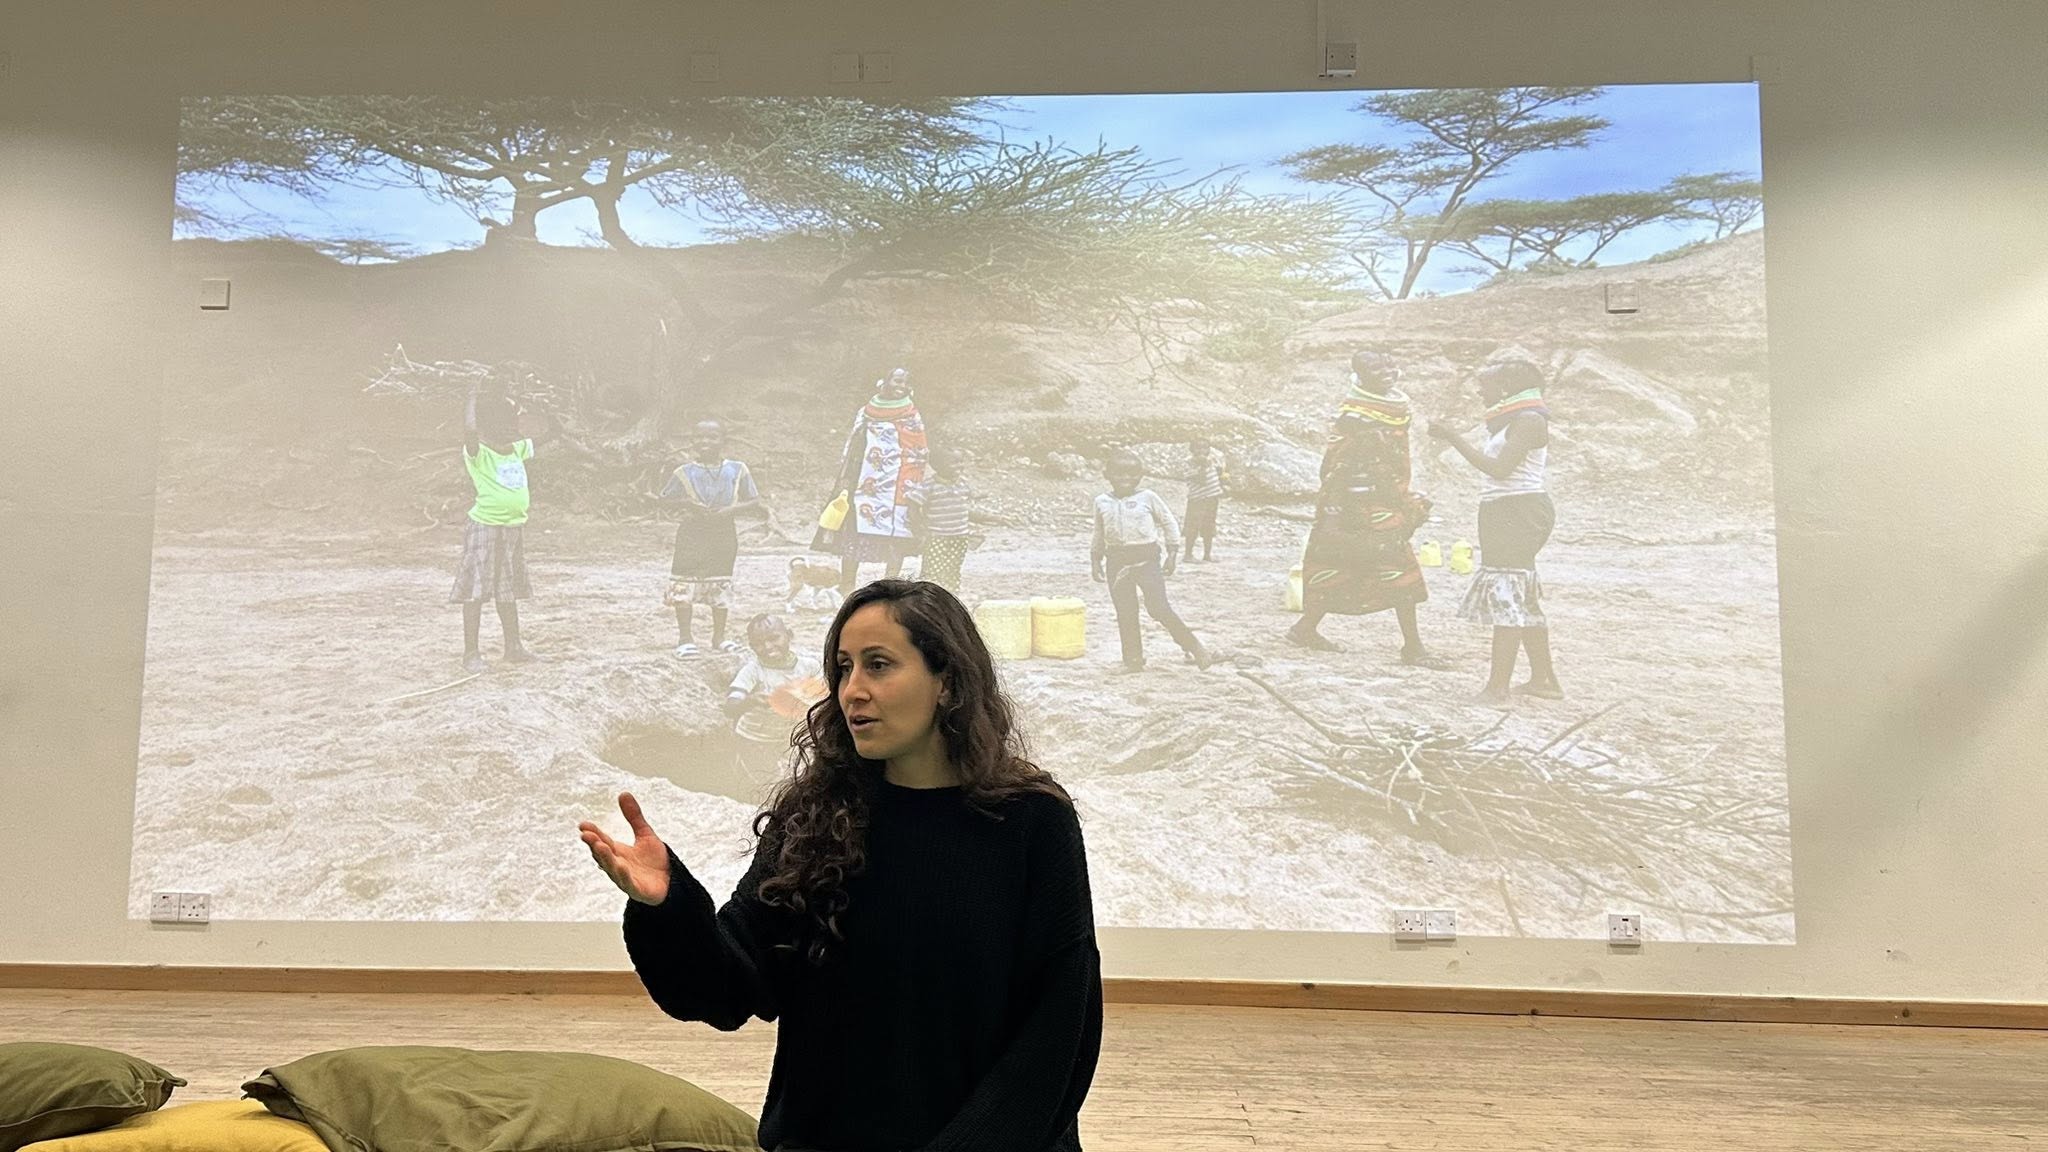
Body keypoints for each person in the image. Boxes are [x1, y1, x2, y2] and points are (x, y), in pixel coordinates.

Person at [579, 580, 1103, 1152]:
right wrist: (668, 907)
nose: (853, 690)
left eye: (878, 665)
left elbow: (1057, 1031)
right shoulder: (815, 817)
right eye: (844, 668)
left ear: (947, 681)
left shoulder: (1033, 821)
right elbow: (728, 989)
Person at [1285, 351, 1449, 668]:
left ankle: (1304, 628)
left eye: (1389, 364)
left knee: (1349, 567)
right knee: (1398, 570)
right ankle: (1413, 648)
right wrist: (1340, 513)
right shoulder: (1355, 418)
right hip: (1359, 509)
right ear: (1359, 375)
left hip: (1378, 504)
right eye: (1376, 368)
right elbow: (1337, 466)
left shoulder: (1389, 412)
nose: (1387, 371)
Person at [1427, 358, 1563, 704]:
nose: (1479, 391)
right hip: (1508, 510)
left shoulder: (1529, 420)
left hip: (1518, 511)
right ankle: (1543, 680)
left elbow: (1500, 470)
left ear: (1504, 389)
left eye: (1484, 385)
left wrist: (1453, 438)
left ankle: (1498, 688)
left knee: (1508, 595)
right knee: (1522, 595)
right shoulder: (1518, 419)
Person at [450, 381, 557, 673]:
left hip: (512, 528)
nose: (513, 429)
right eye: (506, 425)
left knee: (506, 590)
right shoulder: (478, 453)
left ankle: (514, 647)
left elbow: (553, 433)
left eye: (513, 424)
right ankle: (471, 653)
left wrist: (538, 405)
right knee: (475, 590)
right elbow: (470, 431)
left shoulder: (517, 450)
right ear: (488, 429)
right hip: (485, 526)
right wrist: (471, 397)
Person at [1092, 449, 1214, 673]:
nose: (1126, 478)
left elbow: (1168, 522)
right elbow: (1099, 532)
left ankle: (1194, 647)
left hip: (1146, 558)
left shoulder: (1148, 498)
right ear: (1107, 475)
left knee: (1158, 608)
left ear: (1140, 475)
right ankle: (1133, 661)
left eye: (1132, 474)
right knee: (1125, 611)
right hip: (1116, 561)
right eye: (1119, 473)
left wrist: (1172, 552)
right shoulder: (1102, 502)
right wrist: (1095, 559)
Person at [823, 367, 927, 595]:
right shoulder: (866, 412)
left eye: (905, 382)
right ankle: (847, 585)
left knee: (896, 536)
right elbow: (853, 446)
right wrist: (846, 477)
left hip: (898, 485)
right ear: (884, 381)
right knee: (854, 533)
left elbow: (919, 452)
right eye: (897, 380)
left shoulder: (911, 414)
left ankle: (891, 586)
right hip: (864, 483)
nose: (901, 386)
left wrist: (912, 485)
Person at [662, 419, 760, 658]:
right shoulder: (683, 472)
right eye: (700, 437)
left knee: (720, 583)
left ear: (723, 440)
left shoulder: (737, 469)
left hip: (723, 533)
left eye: (712, 437)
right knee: (684, 582)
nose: (705, 441)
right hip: (692, 533)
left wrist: (730, 510)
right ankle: (685, 639)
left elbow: (753, 500)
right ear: (692, 441)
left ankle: (719, 637)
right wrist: (689, 504)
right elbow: (665, 499)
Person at [723, 613, 825, 728]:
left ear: (789, 635)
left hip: (795, 731)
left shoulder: (809, 666)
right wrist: (750, 701)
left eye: (773, 638)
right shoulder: (752, 672)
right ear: (752, 646)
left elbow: (823, 697)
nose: (768, 647)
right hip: (754, 732)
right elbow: (729, 709)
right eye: (758, 643)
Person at [910, 446, 977, 594]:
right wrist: (919, 530)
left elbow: (963, 510)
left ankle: (951, 597)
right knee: (932, 573)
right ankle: (928, 600)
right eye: (953, 462)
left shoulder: (963, 484)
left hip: (960, 537)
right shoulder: (929, 486)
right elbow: (913, 507)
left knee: (953, 571)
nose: (959, 466)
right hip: (937, 538)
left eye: (960, 461)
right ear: (937, 465)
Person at [1181, 439, 1226, 563]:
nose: (1202, 451)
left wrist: (1221, 478)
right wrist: (1203, 466)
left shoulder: (1211, 460)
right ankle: (1188, 555)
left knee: (1209, 526)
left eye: (1205, 448)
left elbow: (1219, 473)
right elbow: (1200, 480)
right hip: (1197, 500)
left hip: (1212, 498)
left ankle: (1207, 554)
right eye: (1198, 448)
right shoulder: (1188, 463)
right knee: (1193, 527)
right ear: (1192, 450)